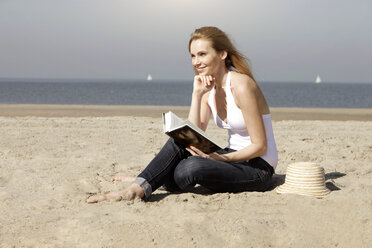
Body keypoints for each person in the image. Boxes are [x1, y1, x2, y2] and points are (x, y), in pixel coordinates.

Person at [87, 26, 278, 203]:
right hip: (232, 156)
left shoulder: (242, 85)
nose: (196, 62)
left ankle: (147, 180)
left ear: (222, 53)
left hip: (258, 167)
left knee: (190, 168)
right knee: (179, 144)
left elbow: (260, 146)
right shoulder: (208, 87)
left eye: (202, 54)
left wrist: (220, 159)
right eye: (193, 56)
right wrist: (197, 94)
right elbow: (192, 135)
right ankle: (139, 185)